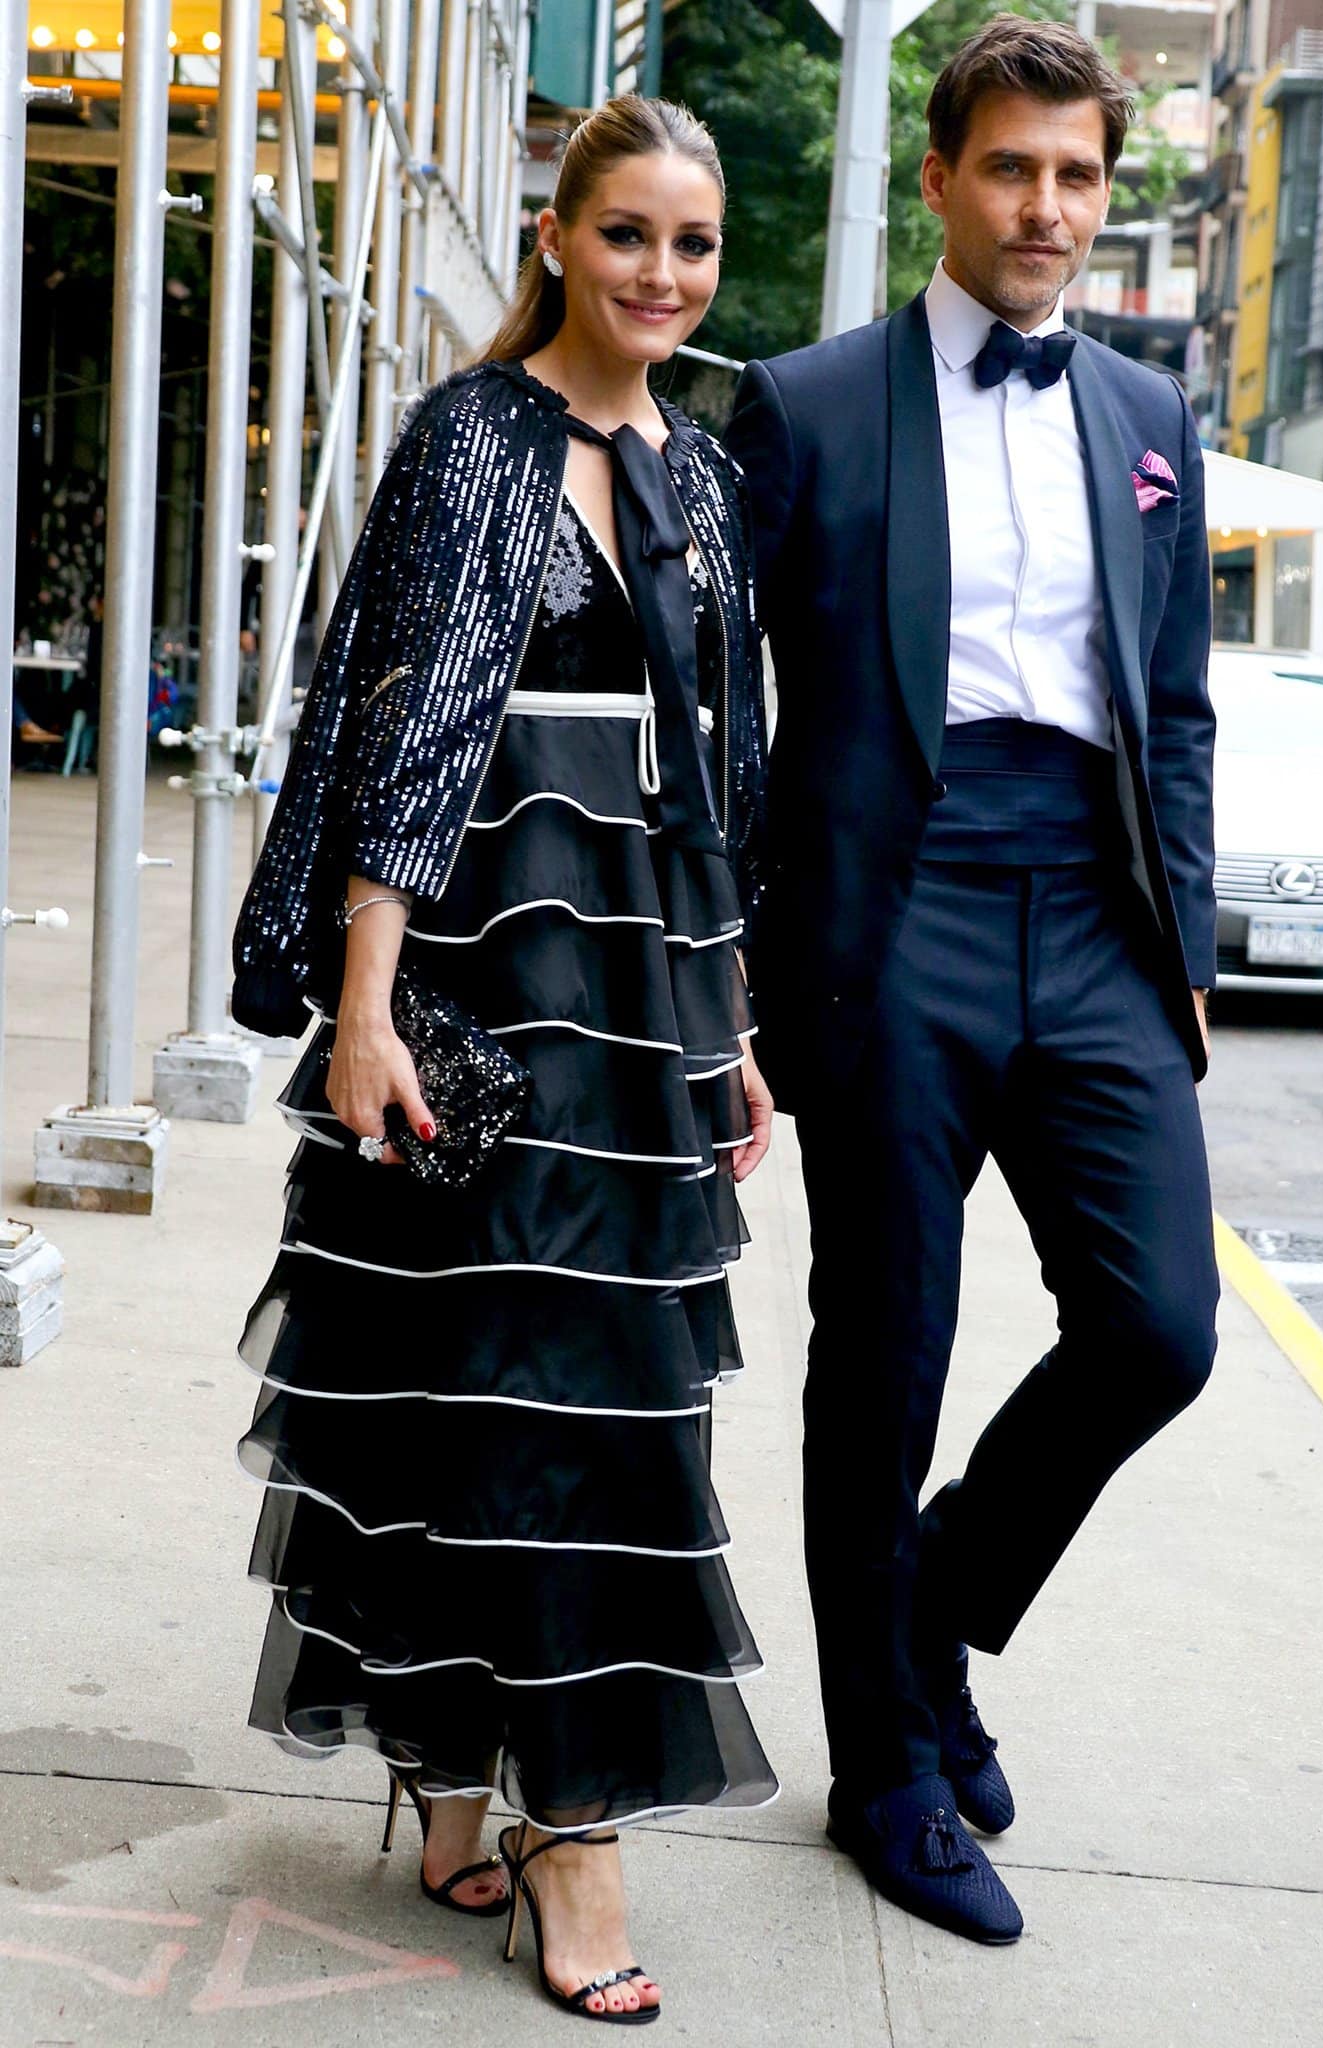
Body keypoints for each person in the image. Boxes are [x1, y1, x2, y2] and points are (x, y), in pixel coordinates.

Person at [230, 95, 777, 2025]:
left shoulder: (700, 479)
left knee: (597, 1388)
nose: (662, 275)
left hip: (640, 984)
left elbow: (723, 785)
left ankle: (497, 1797)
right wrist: (363, 1004)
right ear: (557, 237)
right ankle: (549, 1823)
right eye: (628, 234)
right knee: (480, 1372)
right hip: (476, 959)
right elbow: (408, 720)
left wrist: (736, 1032)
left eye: (693, 246)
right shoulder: (472, 440)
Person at [727, 15, 1217, 1947]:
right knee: (889, 1365)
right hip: (888, 920)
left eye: (1078, 176)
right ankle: (887, 1771)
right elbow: (720, 719)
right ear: (939, 180)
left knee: (1158, 1325)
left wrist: (1179, 941)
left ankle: (919, 1615)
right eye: (1011, 169)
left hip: (1091, 916)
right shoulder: (809, 402)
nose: (1046, 208)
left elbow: (1171, 707)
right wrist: (739, 979)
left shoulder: (1149, 417)